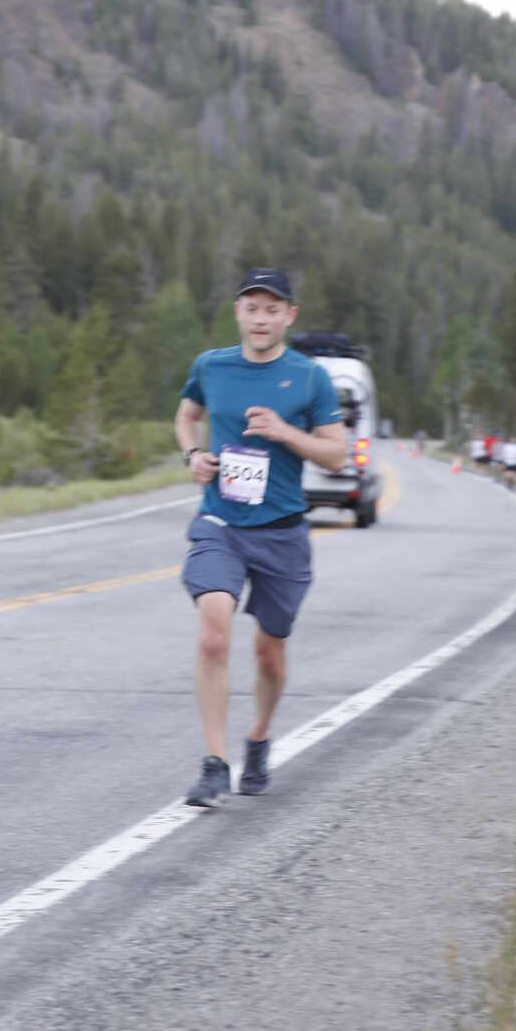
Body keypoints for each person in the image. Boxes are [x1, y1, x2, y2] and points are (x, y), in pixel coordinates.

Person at [173, 268, 348, 807]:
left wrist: (285, 432)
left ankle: (258, 738)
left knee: (269, 653)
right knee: (213, 636)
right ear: (238, 312)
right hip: (221, 522)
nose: (261, 319)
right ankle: (213, 765)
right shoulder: (211, 366)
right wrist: (193, 454)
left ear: (289, 316)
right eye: (252, 308)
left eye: (273, 309)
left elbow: (336, 454)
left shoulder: (310, 378)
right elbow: (186, 416)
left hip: (281, 532)